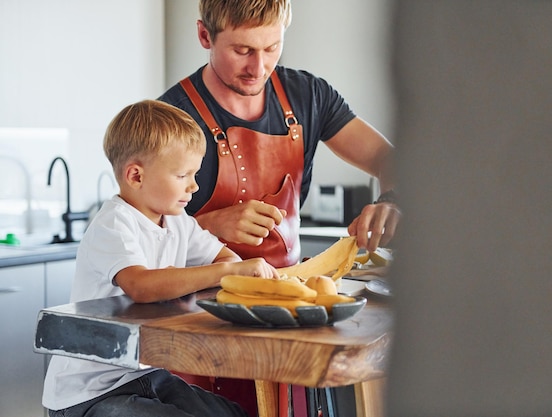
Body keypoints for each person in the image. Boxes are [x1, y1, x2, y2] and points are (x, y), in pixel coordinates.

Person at [41, 99, 280, 417]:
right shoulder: (114, 223)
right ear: (136, 176)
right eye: (183, 175)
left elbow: (222, 257)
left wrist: (239, 272)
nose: (194, 186)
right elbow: (141, 285)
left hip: (142, 374)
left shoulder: (179, 221)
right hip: (88, 393)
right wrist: (228, 272)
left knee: (230, 413)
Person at [159, 0, 401, 270]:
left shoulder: (309, 95)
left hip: (287, 291)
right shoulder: (169, 118)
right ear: (205, 35)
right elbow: (141, 236)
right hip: (193, 301)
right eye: (242, 50)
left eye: (272, 48)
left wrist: (391, 200)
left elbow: (386, 157)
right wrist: (208, 225)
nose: (259, 68)